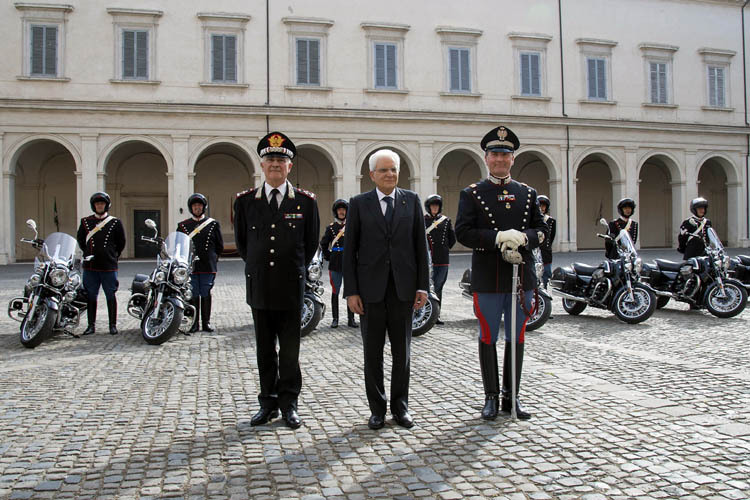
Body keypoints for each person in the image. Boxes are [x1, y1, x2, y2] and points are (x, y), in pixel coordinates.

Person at [455, 125, 548, 421]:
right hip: (488, 276)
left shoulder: (528, 193)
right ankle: (491, 397)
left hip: (521, 279)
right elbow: (463, 232)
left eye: (505, 155)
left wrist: (524, 237)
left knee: (517, 337)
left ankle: (513, 396)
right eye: (495, 154)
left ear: (513, 159)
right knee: (488, 336)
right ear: (486, 157)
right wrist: (497, 237)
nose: (500, 159)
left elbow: (543, 231)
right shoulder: (471, 194)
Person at [234, 131, 320, 429]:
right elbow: (244, 245)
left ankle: (289, 404)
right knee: (264, 350)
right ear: (262, 164)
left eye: (281, 161)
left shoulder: (306, 203)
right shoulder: (245, 202)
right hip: (260, 287)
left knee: (291, 351)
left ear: (290, 167)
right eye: (270, 159)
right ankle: (267, 404)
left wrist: (291, 269)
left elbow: (310, 246)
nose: (275, 165)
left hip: (291, 288)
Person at [343, 149, 430, 430]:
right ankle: (377, 409)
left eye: (394, 169)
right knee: (373, 353)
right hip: (370, 292)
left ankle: (400, 407)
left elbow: (421, 247)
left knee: (402, 353)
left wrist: (423, 286)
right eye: (384, 170)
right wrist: (351, 291)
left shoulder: (412, 201)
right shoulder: (358, 204)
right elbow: (350, 252)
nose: (390, 174)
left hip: (403, 290)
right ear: (372, 175)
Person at [76, 192, 126, 336]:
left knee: (110, 294)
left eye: (102, 203)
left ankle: (112, 325)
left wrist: (112, 255)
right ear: (94, 205)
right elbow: (80, 239)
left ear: (106, 205)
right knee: (91, 295)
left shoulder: (115, 222)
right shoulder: (85, 222)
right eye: (97, 204)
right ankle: (91, 325)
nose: (99, 206)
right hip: (91, 265)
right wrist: (87, 252)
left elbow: (121, 242)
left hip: (108, 265)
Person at [177, 193, 224, 333]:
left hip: (207, 265)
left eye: (199, 206)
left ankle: (206, 323)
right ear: (191, 208)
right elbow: (179, 245)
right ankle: (194, 323)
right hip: (191, 266)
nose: (197, 208)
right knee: (193, 293)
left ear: (204, 207)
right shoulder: (183, 226)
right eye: (194, 206)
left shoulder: (213, 224)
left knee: (205, 292)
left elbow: (219, 245)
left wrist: (213, 258)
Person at [320, 199, 358, 328]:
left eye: (344, 210)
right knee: (335, 291)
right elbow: (324, 244)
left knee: (350, 291)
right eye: (339, 210)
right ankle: (335, 318)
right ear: (336, 212)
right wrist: (328, 256)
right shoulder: (331, 228)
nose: (341, 212)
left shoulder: (352, 226)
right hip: (336, 262)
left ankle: (351, 318)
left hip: (349, 262)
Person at [423, 194, 456, 324]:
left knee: (438, 286)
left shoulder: (446, 221)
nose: (435, 208)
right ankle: (427, 313)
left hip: (442, 259)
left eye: (436, 205)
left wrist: (444, 249)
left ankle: (436, 314)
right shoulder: (423, 221)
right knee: (426, 287)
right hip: (428, 259)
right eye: (432, 206)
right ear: (428, 207)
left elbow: (451, 238)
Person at [537, 195, 555, 289]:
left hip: (546, 252)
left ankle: (546, 289)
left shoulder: (551, 221)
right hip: (535, 250)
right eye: (540, 205)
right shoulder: (534, 219)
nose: (542, 208)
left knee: (547, 273)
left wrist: (546, 247)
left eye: (544, 206)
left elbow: (551, 237)